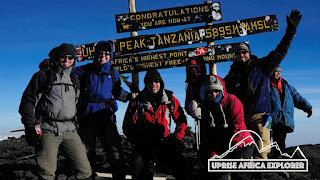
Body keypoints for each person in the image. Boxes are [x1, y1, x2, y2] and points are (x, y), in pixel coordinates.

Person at [224, 10, 302, 160]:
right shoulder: (232, 74)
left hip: (261, 117)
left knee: (262, 154)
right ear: (235, 56)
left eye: (244, 52)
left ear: (249, 52)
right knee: (245, 156)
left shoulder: (261, 66)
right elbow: (221, 92)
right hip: (241, 119)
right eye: (239, 53)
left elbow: (280, 52)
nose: (242, 55)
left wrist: (291, 30)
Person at [19, 43, 92, 180]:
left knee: (84, 170)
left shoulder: (74, 79)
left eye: (70, 57)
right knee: (47, 173)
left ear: (74, 60)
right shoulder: (43, 76)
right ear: (57, 58)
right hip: (48, 128)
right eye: (63, 57)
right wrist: (30, 127)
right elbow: (27, 102)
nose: (67, 60)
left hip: (70, 129)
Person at [72, 41, 130, 180]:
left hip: (106, 117)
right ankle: (89, 177)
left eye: (107, 54)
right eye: (100, 53)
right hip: (86, 117)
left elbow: (117, 91)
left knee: (115, 152)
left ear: (111, 56)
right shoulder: (86, 70)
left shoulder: (114, 73)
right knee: (86, 153)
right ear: (96, 54)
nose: (103, 56)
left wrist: (129, 96)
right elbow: (68, 71)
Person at [123, 68, 188, 180]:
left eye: (156, 81)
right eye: (150, 81)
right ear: (146, 84)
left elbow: (181, 120)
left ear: (160, 83)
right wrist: (135, 139)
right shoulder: (138, 100)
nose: (153, 84)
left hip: (165, 141)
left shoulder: (169, 99)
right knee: (138, 168)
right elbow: (128, 123)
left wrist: (176, 138)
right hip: (144, 143)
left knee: (181, 168)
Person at [188, 75, 254, 179]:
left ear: (222, 90)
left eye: (216, 91)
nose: (214, 94)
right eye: (210, 92)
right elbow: (206, 134)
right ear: (205, 93)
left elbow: (239, 127)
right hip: (222, 143)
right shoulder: (205, 108)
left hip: (242, 142)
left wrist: (235, 155)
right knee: (217, 173)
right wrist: (213, 154)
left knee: (239, 174)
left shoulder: (232, 101)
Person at [270, 66, 312, 156]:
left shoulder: (287, 87)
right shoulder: (265, 86)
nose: (277, 73)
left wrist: (307, 107)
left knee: (279, 144)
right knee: (264, 143)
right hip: (268, 120)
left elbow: (298, 98)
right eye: (275, 71)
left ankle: (278, 165)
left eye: (278, 72)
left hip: (282, 120)